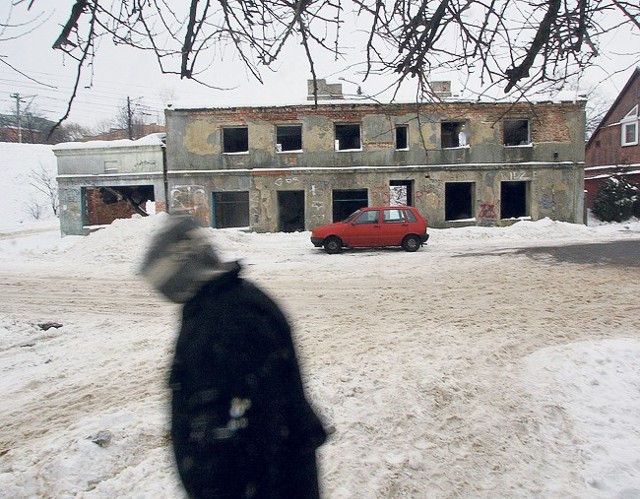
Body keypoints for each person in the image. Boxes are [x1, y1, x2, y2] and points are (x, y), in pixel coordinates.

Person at [140, 214, 328, 498]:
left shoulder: (229, 318)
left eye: (165, 282)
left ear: (184, 272)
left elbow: (254, 426)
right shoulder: (222, 304)